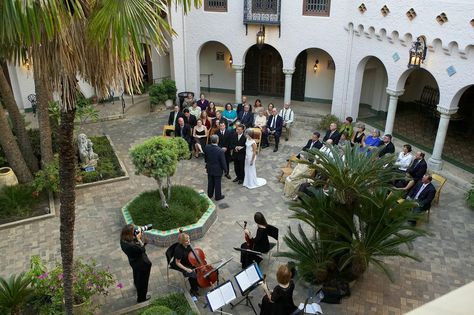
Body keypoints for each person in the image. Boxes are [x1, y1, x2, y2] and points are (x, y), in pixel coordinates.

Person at [120, 224, 152, 303]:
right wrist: (139, 239)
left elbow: (137, 248)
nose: (135, 231)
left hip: (134, 262)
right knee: (143, 282)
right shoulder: (131, 246)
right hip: (142, 265)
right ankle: (142, 298)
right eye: (133, 231)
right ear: (129, 234)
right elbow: (142, 249)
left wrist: (137, 238)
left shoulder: (123, 240)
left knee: (137, 275)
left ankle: (136, 284)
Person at [173, 232, 200, 296]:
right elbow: (177, 263)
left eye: (189, 239)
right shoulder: (178, 250)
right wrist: (186, 269)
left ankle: (198, 282)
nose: (188, 241)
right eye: (186, 241)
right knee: (192, 274)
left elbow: (192, 253)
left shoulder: (188, 245)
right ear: (182, 242)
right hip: (182, 265)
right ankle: (193, 290)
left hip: (189, 261)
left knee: (198, 269)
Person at [204, 134, 227, 201]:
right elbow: (223, 162)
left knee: (210, 181)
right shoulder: (220, 150)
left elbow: (205, 158)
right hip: (217, 169)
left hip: (209, 168)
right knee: (217, 183)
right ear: (217, 140)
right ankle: (218, 196)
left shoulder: (207, 147)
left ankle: (210, 194)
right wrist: (226, 170)